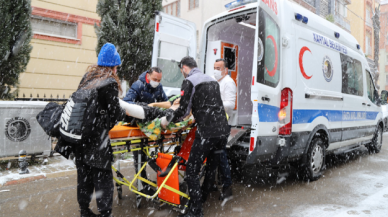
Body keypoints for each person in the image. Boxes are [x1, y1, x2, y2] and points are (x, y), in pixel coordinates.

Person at [56, 43, 126, 217]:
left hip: (81, 138)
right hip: (97, 140)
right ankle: (104, 213)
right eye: (116, 66)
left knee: (84, 177)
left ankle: (84, 211)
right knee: (103, 180)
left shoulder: (88, 77)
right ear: (113, 66)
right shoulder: (109, 82)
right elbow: (115, 112)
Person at [160, 56, 229, 217]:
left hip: (207, 131)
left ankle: (196, 210)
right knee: (211, 168)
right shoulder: (212, 80)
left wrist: (169, 118)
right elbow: (212, 104)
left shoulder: (189, 81)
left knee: (191, 171)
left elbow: (184, 110)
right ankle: (202, 198)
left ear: (184, 68)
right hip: (222, 130)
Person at [122, 67, 168, 190]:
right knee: (139, 154)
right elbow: (127, 103)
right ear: (148, 76)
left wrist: (154, 106)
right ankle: (141, 182)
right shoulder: (138, 85)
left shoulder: (158, 87)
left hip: (151, 124)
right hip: (138, 124)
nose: (157, 82)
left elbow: (166, 102)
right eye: (155, 79)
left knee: (149, 153)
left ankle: (148, 178)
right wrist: (144, 109)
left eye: (159, 79)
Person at [213, 59, 236, 201]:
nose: (215, 70)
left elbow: (231, 104)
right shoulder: (216, 81)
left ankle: (227, 186)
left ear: (225, 70)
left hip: (223, 124)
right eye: (214, 67)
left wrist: (214, 104)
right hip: (215, 123)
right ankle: (213, 183)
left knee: (221, 155)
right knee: (214, 154)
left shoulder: (228, 82)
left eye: (218, 68)